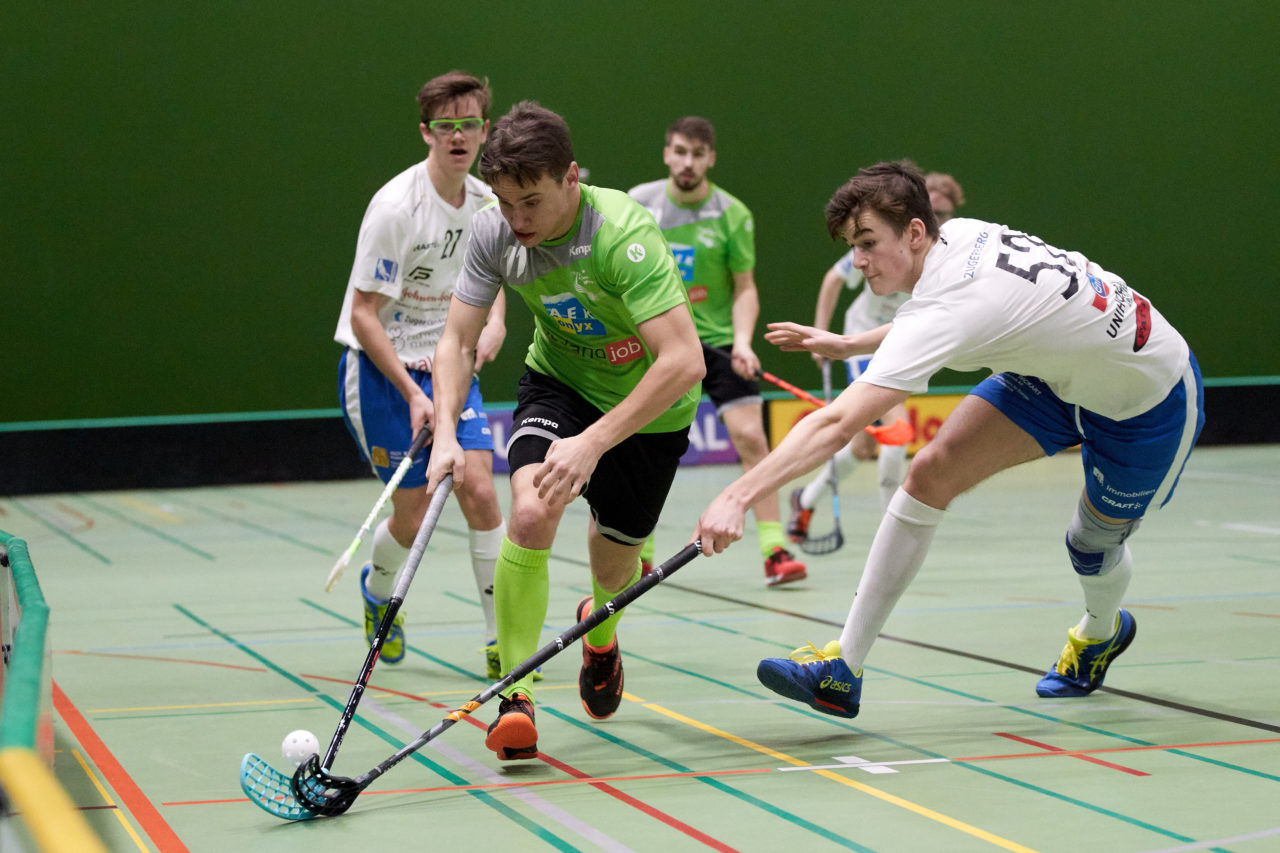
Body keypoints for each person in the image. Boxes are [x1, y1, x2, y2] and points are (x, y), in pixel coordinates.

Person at [695, 160, 1204, 719]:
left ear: (915, 232)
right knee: (928, 472)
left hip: (1147, 398)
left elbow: (837, 423)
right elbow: (932, 317)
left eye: (867, 243)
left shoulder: (953, 300)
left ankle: (1099, 632)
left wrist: (738, 495)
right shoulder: (957, 237)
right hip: (1051, 380)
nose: (858, 260)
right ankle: (843, 670)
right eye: (851, 245)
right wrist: (851, 343)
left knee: (1091, 544)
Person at [426, 101, 705, 760]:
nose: (517, 219)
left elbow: (684, 360)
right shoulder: (495, 233)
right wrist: (444, 432)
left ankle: (599, 633)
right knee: (529, 511)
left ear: (571, 178)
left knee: (615, 569)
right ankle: (514, 697)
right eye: (505, 202)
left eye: (532, 201)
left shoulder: (621, 236)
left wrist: (596, 441)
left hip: (649, 409)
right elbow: (455, 342)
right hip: (559, 385)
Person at [334, 71, 511, 674]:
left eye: (469, 123)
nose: (458, 135)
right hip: (384, 373)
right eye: (446, 125)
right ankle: (378, 593)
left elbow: (492, 277)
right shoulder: (396, 208)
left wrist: (494, 324)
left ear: (485, 130)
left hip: (451, 363)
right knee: (412, 518)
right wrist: (413, 391)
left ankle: (501, 641)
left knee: (481, 492)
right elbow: (362, 315)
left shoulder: (489, 203)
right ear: (426, 133)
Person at [629, 117, 806, 587]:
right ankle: (638, 554)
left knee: (752, 439)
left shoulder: (733, 214)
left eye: (698, 154)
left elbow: (744, 289)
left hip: (721, 344)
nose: (688, 162)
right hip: (660, 341)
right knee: (643, 443)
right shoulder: (637, 205)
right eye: (680, 151)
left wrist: (744, 342)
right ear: (667, 152)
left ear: (711, 159)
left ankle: (775, 549)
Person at [787, 172, 966, 543]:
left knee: (865, 445)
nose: (941, 219)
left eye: (946, 212)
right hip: (866, 337)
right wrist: (825, 335)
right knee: (897, 431)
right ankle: (893, 527)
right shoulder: (885, 244)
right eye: (934, 210)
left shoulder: (949, 255)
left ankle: (804, 500)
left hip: (904, 341)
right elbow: (833, 279)